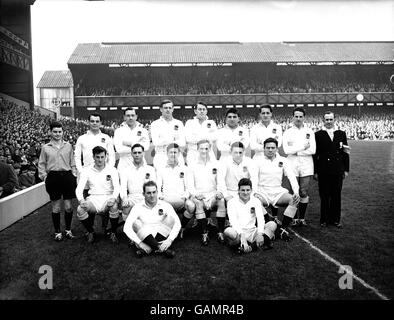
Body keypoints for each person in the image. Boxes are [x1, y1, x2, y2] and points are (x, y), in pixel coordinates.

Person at [74, 113, 116, 233]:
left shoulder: (106, 138)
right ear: (88, 122)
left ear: (101, 123)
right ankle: (90, 228)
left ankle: (105, 227)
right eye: (92, 121)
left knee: (107, 200)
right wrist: (81, 171)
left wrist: (108, 169)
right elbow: (77, 156)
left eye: (97, 121)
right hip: (87, 174)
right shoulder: (81, 138)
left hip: (104, 173)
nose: (95, 123)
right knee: (88, 201)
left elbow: (111, 155)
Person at [254, 138, 300, 241]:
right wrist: (254, 192)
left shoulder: (283, 160)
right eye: (268, 148)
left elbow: (291, 176)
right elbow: (254, 178)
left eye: (273, 148)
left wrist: (296, 192)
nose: (270, 150)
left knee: (294, 200)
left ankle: (283, 229)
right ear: (264, 148)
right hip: (262, 192)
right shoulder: (257, 161)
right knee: (255, 201)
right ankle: (267, 226)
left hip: (277, 191)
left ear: (277, 149)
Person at [38, 121, 77, 241]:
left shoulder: (68, 146)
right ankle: (57, 232)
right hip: (53, 178)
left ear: (63, 132)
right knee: (56, 207)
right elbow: (41, 163)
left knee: (68, 206)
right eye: (55, 132)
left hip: (67, 177)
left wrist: (74, 174)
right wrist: (45, 177)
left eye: (59, 132)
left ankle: (68, 230)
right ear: (50, 132)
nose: (57, 134)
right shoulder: (45, 148)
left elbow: (72, 162)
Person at [123, 180, 181, 258]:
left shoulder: (166, 205)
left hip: (161, 233)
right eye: (149, 193)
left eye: (154, 192)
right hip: (144, 234)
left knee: (171, 219)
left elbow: (178, 223)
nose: (152, 195)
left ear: (157, 192)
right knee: (135, 223)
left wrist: (169, 240)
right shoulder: (137, 207)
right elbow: (126, 227)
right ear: (143, 194)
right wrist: (140, 243)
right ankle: (161, 249)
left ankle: (150, 248)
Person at [75, 146, 120, 244]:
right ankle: (91, 232)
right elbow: (79, 189)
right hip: (93, 199)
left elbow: (117, 187)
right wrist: (81, 200)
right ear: (93, 157)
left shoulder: (112, 170)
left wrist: (113, 198)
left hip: (108, 197)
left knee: (114, 206)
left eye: (102, 157)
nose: (100, 159)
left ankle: (113, 232)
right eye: (97, 157)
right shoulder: (86, 170)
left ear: (105, 157)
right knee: (80, 209)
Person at [313, 111, 350, 228]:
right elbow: (315, 155)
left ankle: (336, 219)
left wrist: (346, 169)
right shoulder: (318, 134)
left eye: (331, 119)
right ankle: (324, 219)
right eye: (326, 120)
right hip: (323, 171)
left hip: (338, 170)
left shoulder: (341, 133)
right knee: (324, 196)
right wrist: (315, 171)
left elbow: (345, 153)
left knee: (336, 195)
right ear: (323, 121)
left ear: (335, 120)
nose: (329, 122)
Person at [186, 139, 226, 245]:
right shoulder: (192, 165)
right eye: (202, 149)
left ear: (210, 149)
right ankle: (204, 234)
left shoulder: (216, 164)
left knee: (221, 201)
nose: (204, 151)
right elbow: (190, 185)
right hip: (198, 195)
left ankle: (220, 232)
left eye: (206, 148)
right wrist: (196, 194)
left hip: (212, 194)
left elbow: (220, 182)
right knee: (198, 203)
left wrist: (219, 192)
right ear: (198, 149)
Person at [282, 107, 316, 226]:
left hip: (306, 164)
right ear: (292, 117)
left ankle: (301, 218)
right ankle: (293, 218)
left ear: (304, 117)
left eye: (300, 116)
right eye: (296, 116)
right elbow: (286, 150)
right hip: (292, 164)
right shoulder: (287, 132)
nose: (298, 118)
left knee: (303, 191)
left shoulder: (309, 131)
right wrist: (302, 147)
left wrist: (296, 151)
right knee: (293, 192)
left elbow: (313, 149)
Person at [224, 178, 276, 253]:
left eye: (248, 190)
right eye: (243, 190)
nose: (245, 193)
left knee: (272, 224)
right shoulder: (231, 202)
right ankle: (263, 241)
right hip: (238, 232)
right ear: (238, 190)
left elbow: (261, 219)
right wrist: (242, 235)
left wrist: (260, 233)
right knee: (229, 232)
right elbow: (233, 221)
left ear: (251, 190)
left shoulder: (256, 201)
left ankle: (249, 247)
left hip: (252, 231)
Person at [156, 143, 195, 235]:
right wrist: (160, 196)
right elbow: (157, 185)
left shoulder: (185, 169)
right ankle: (165, 230)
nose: (173, 154)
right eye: (171, 152)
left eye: (175, 152)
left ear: (179, 154)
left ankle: (182, 227)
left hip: (180, 199)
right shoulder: (161, 169)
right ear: (167, 153)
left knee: (191, 206)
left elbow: (189, 187)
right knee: (159, 210)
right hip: (166, 199)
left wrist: (185, 196)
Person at [120, 143, 156, 223]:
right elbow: (123, 188)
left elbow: (154, 187)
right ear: (131, 154)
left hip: (146, 196)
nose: (137, 155)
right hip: (132, 197)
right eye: (135, 153)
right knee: (126, 205)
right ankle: (126, 227)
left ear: (143, 153)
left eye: (139, 152)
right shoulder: (126, 170)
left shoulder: (150, 169)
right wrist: (124, 198)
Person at [150, 100, 186, 169]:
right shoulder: (155, 124)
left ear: (173, 109)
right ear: (161, 109)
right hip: (161, 155)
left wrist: (164, 140)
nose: (168, 110)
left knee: (178, 178)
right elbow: (156, 142)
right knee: (161, 178)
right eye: (165, 108)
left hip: (176, 154)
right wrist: (173, 139)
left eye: (170, 108)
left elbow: (182, 142)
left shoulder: (179, 123)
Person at [113, 107, 150, 174]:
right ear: (124, 117)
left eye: (133, 115)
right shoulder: (118, 131)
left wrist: (128, 143)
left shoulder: (143, 130)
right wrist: (138, 143)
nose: (130, 118)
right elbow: (119, 149)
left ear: (136, 116)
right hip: (124, 164)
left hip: (141, 163)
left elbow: (146, 147)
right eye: (128, 116)